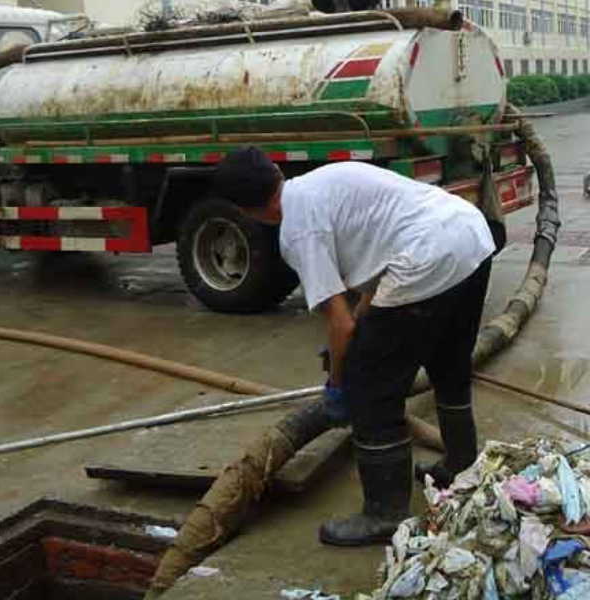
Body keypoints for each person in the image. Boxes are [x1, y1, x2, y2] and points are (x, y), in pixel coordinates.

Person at [213, 147, 496, 546]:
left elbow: (340, 323)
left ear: (245, 210)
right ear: (276, 171)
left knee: (371, 391)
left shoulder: (297, 231)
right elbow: (372, 282)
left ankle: (385, 514)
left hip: (426, 258)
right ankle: (462, 463)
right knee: (448, 361)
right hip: (471, 237)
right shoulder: (325, 179)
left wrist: (339, 383)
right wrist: (362, 336)